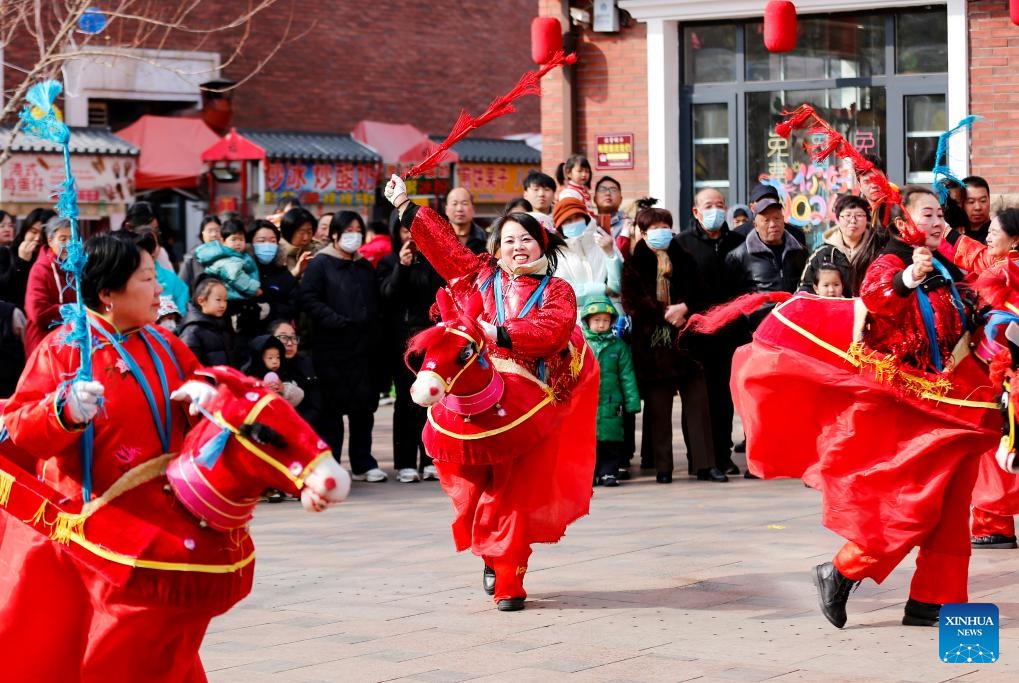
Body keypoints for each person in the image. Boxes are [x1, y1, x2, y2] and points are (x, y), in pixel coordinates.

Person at [0, 230, 228, 679]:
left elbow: (212, 392)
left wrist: (209, 398)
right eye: (147, 278)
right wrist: (62, 412)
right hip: (88, 535)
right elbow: (18, 428)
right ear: (107, 293)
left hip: (156, 529)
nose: (159, 287)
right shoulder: (63, 350)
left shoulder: (165, 343)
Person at [385, 173, 596, 611]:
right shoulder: (476, 277)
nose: (518, 247)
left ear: (543, 245)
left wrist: (497, 330)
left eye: (527, 239)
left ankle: (509, 579)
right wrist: (407, 207)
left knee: (513, 494)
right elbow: (444, 247)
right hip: (476, 400)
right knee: (471, 490)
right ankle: (490, 550)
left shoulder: (557, 290)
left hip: (530, 403)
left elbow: (551, 331)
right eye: (509, 240)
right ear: (497, 247)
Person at [810, 186, 991, 629]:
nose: (937, 221)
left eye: (939, 214)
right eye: (926, 214)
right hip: (913, 405)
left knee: (953, 507)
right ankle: (842, 569)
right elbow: (876, 297)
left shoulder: (943, 266)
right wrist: (906, 279)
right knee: (914, 503)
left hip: (954, 401)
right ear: (899, 224)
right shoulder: (889, 264)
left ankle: (935, 599)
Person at [621, 201, 716, 483]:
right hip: (653, 345)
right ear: (643, 232)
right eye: (654, 228)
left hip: (687, 342)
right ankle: (663, 466)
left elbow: (701, 291)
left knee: (698, 404)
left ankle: (704, 464)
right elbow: (631, 301)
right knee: (659, 408)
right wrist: (665, 313)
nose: (661, 232)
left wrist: (684, 308)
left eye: (665, 227)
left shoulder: (684, 257)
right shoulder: (634, 262)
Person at [941, 207, 1019, 549]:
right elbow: (973, 254)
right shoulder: (1003, 265)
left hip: (1005, 373)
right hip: (998, 371)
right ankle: (993, 523)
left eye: (994, 232)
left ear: (1014, 240)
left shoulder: (1006, 271)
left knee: (997, 440)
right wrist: (941, 231)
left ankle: (995, 523)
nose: (987, 237)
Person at [298, 210, 387, 483]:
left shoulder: (363, 265)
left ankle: (363, 462)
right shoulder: (321, 264)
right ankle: (332, 462)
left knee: (364, 410)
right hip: (332, 348)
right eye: (347, 230)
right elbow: (309, 299)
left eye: (357, 230)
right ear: (334, 234)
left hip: (363, 349)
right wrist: (334, 320)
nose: (354, 235)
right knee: (332, 413)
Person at [676, 188, 746, 478]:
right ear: (696, 212)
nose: (714, 210)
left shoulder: (738, 242)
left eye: (719, 205)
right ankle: (700, 457)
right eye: (708, 205)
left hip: (730, 332)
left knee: (724, 397)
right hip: (696, 332)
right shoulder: (683, 244)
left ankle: (722, 453)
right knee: (698, 397)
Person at [377, 216, 445, 483]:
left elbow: (438, 295)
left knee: (432, 400)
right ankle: (405, 462)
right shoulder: (387, 262)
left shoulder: (434, 261)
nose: (410, 236)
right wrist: (402, 267)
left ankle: (430, 459)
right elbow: (388, 296)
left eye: (416, 230)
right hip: (401, 342)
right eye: (405, 230)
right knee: (405, 403)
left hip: (432, 340)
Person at [580, 295, 640, 487]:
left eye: (605, 321)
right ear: (587, 321)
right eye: (597, 320)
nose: (601, 324)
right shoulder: (580, 345)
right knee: (587, 442)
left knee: (611, 440)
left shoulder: (619, 347)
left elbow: (627, 376)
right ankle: (589, 473)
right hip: (585, 403)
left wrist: (632, 401)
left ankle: (608, 472)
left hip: (611, 402)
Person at [798, 194, 884, 297]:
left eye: (859, 215)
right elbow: (805, 289)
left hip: (867, 310)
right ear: (838, 219)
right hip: (831, 311)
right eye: (847, 215)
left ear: (867, 220)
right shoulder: (823, 253)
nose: (853, 221)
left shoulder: (878, 251)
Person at [551, 197, 622, 308]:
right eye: (568, 221)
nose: (574, 223)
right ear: (560, 227)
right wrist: (603, 290)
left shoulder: (604, 241)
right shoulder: (557, 254)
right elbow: (563, 292)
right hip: (576, 320)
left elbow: (618, 286)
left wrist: (610, 254)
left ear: (585, 218)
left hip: (610, 316)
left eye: (577, 217)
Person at [23, 215, 74, 355]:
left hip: (71, 344)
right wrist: (73, 310)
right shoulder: (40, 269)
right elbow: (38, 312)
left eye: (72, 238)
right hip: (44, 345)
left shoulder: (78, 267)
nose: (68, 244)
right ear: (50, 241)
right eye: (63, 239)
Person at [268, 318, 322, 431]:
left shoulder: (306, 365)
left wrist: (293, 426)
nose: (290, 343)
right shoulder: (260, 367)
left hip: (302, 430)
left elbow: (315, 407)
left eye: (293, 338)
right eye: (283, 338)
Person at [194, 217, 260, 302]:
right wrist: (254, 289)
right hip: (232, 299)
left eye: (241, 239)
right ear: (223, 241)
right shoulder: (226, 258)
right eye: (233, 239)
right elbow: (234, 276)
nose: (238, 243)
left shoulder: (242, 255)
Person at [1, 208, 54, 310]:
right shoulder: (6, 254)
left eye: (43, 233)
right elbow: (5, 290)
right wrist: (21, 263)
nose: (37, 238)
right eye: (33, 231)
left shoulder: (54, 260)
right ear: (25, 231)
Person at [177, 276, 235, 367]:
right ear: (201, 301)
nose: (223, 305)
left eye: (225, 300)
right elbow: (189, 367)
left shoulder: (223, 324)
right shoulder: (192, 331)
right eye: (218, 300)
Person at [134, 226, 189, 315]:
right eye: (146, 245)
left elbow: (183, 309)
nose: (152, 250)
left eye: (155, 244)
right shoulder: (129, 278)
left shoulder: (171, 278)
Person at [444, 187, 488, 254]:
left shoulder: (487, 240)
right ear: (446, 210)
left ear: (473, 208)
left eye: (464, 203)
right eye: (454, 204)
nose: (459, 209)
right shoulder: (436, 240)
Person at [279, 207, 317, 279]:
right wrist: (296, 272)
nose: (306, 238)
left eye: (309, 232)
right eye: (301, 233)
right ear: (289, 232)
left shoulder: (317, 251)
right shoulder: (277, 253)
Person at [594, 176, 626, 241]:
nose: (608, 193)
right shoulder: (588, 224)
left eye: (613, 190)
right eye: (602, 190)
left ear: (621, 199)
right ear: (595, 199)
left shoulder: (628, 225)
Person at [962, 176, 992, 243]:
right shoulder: (954, 236)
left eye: (983, 201)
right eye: (971, 202)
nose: (978, 207)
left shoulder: (1000, 234)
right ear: (961, 203)